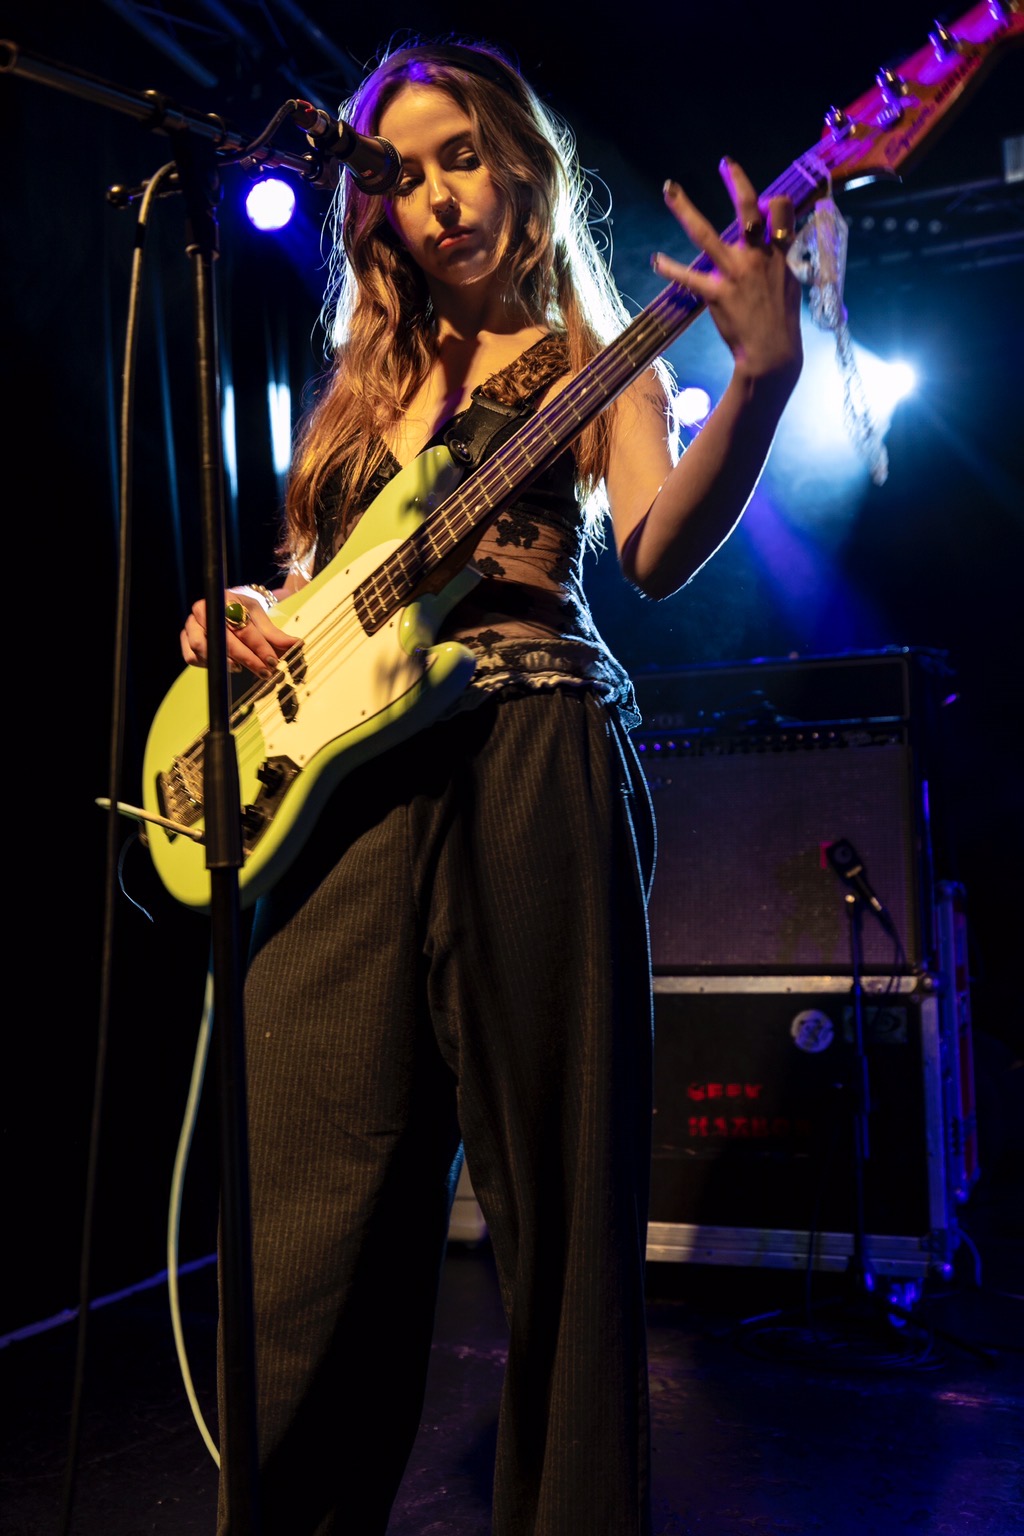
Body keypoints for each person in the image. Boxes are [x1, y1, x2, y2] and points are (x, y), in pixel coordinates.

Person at [180, 34, 803, 1536]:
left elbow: (653, 547)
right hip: (341, 806)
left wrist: (763, 376)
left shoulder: (593, 352)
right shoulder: (356, 388)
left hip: (529, 742)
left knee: (560, 1217)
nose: (440, 198)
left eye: (463, 157)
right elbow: (322, 599)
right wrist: (243, 620)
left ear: (520, 168)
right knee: (302, 1225)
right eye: (402, 178)